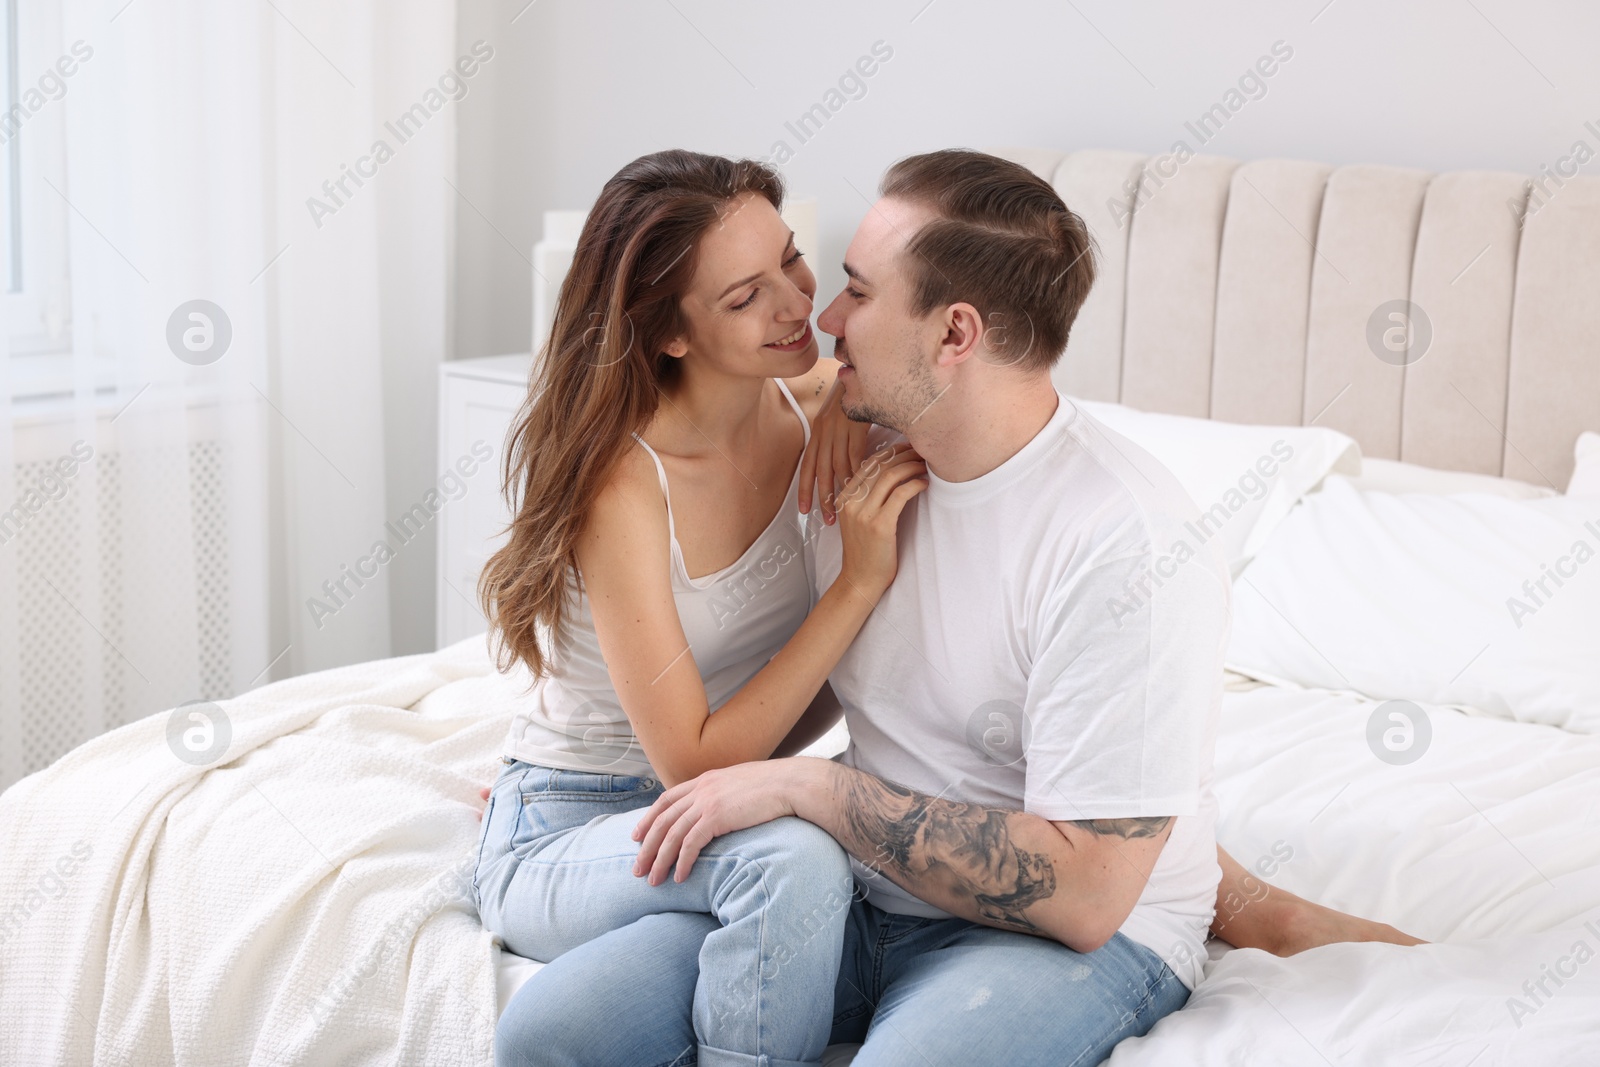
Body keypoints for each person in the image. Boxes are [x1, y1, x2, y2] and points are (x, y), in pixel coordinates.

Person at [474, 147, 1417, 1067]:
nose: (821, 314)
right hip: (858, 898)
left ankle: (1227, 895)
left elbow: (1086, 894)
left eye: (856, 290)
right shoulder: (872, 477)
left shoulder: (1126, 541)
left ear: (955, 334)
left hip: (1055, 938)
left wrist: (813, 788)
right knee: (553, 1033)